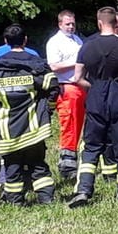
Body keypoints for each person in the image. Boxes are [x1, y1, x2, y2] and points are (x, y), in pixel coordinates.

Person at [0, 25, 59, 206]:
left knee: (12, 167)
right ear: (25, 40)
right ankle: (46, 199)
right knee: (38, 164)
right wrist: (48, 109)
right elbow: (53, 86)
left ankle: (15, 202)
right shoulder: (36, 64)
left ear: (5, 41)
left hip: (6, 131)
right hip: (34, 128)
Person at [69, 7, 118, 207]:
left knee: (91, 147)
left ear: (99, 23)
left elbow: (77, 78)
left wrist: (95, 87)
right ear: (115, 23)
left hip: (96, 98)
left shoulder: (86, 47)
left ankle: (84, 190)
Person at [45, 10, 85, 180]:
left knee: (80, 125)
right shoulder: (55, 42)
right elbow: (53, 66)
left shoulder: (77, 40)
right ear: (60, 24)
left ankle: (78, 159)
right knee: (69, 125)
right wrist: (75, 63)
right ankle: (67, 165)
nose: (71, 27)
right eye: (67, 24)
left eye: (73, 24)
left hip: (81, 86)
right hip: (66, 87)